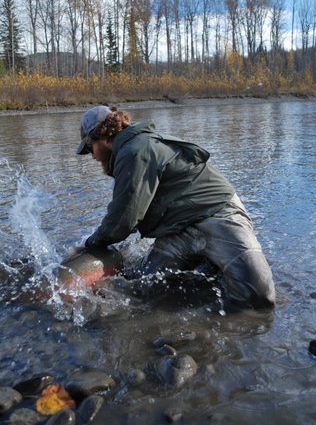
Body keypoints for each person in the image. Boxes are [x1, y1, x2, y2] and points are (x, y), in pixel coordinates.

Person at [76, 105, 275, 309]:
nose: (92, 156)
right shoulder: (130, 150)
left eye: (90, 147)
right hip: (178, 230)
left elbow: (123, 218)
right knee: (142, 293)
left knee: (259, 297)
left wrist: (93, 243)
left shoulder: (135, 151)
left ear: (102, 135)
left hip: (218, 216)